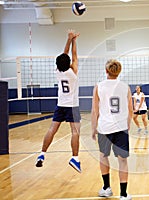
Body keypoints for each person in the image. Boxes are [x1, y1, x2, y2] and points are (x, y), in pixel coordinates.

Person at [35, 30, 81, 173]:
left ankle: (42, 154)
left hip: (60, 105)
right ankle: (75, 158)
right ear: (69, 63)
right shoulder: (72, 73)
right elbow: (73, 55)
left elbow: (65, 55)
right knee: (75, 132)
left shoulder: (58, 71)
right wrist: (74, 41)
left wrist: (68, 39)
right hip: (72, 106)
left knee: (52, 129)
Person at [91, 59, 133, 200]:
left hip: (104, 127)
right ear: (118, 71)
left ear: (106, 70)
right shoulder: (125, 87)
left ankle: (106, 188)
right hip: (121, 128)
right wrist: (127, 125)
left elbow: (95, 111)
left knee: (103, 157)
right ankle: (123, 194)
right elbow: (130, 110)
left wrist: (93, 128)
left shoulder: (99, 86)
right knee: (123, 161)